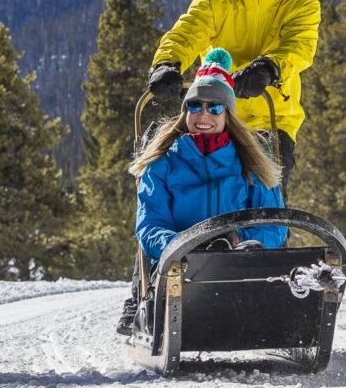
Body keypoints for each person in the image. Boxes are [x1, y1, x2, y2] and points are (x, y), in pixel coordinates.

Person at [146, 0, 320, 192]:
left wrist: (269, 67)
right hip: (214, 116)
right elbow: (189, 31)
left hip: (270, 120)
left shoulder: (301, 3)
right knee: (188, 190)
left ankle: (265, 235)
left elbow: (299, 46)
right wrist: (167, 63)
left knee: (260, 195)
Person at [117, 48, 286, 335]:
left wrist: (242, 240)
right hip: (180, 266)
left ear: (228, 115)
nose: (204, 114)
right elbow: (150, 223)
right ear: (185, 112)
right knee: (176, 266)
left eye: (215, 107)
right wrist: (178, 246)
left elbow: (273, 225)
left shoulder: (251, 162)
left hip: (238, 264)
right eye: (195, 106)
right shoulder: (162, 164)